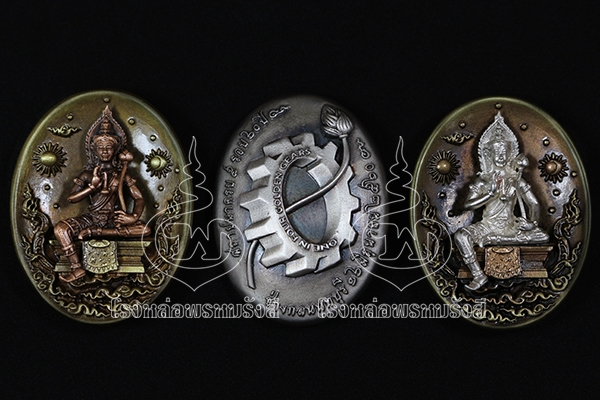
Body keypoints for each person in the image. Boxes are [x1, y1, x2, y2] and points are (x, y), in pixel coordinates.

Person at [54, 107, 150, 283]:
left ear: (116, 150)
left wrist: (133, 217)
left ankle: (94, 232)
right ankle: (76, 267)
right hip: (92, 218)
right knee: (60, 229)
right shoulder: (87, 174)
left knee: (145, 229)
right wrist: (92, 187)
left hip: (114, 219)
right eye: (101, 148)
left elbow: (138, 198)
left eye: (109, 148)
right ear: (94, 150)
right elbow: (71, 198)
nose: (105, 152)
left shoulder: (122, 174)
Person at [454, 112, 548, 290]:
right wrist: (490, 194)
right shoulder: (483, 180)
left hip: (510, 226)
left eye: (504, 152)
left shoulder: (516, 179)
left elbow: (533, 204)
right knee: (461, 236)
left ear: (510, 154)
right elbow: (467, 205)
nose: (500, 155)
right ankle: (478, 275)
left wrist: (532, 223)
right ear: (488, 155)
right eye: (497, 152)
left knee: (543, 236)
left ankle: (495, 239)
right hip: (487, 226)